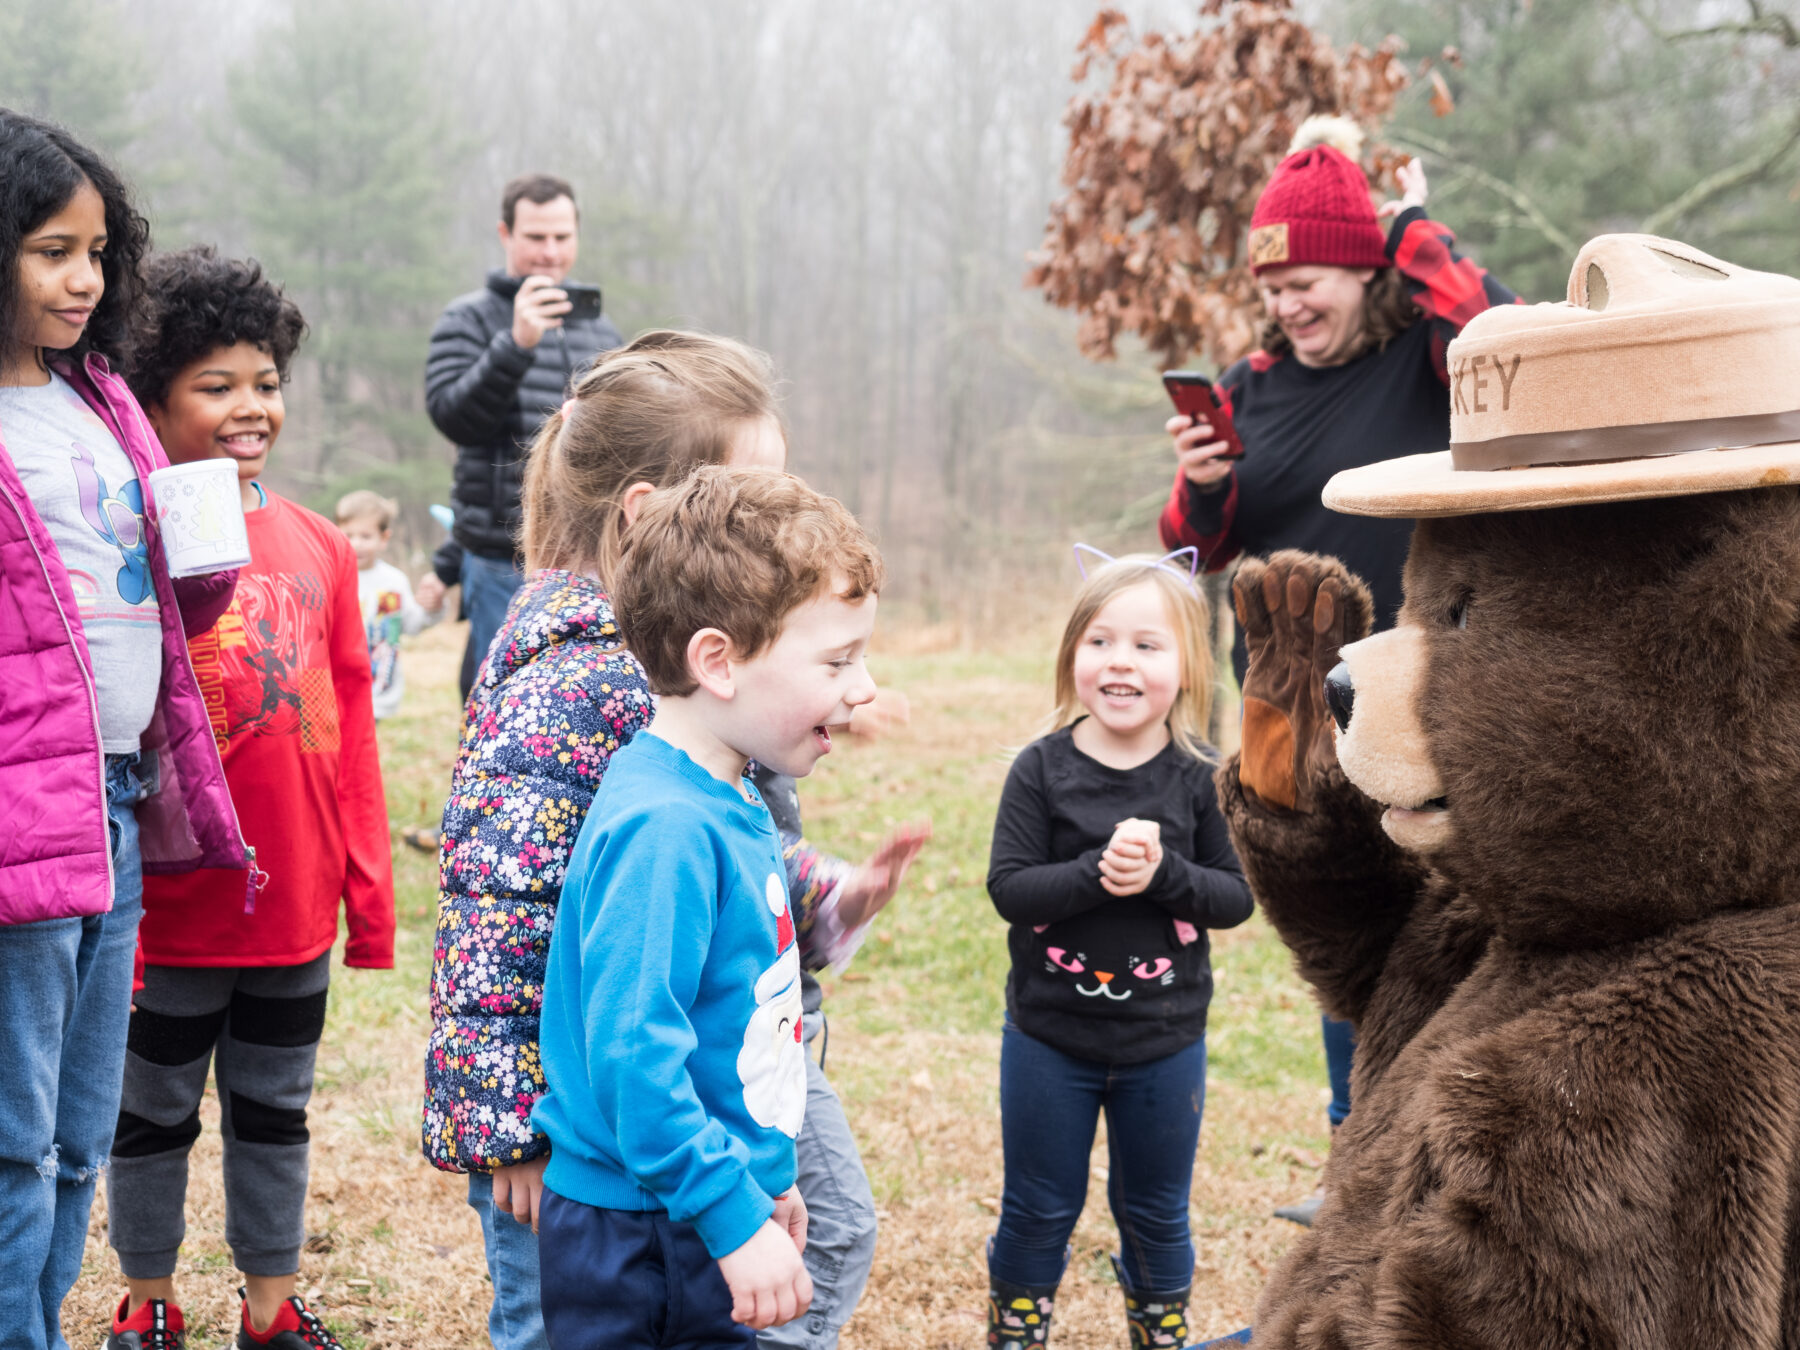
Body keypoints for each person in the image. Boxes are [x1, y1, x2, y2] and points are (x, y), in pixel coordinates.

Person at [423, 331, 924, 1350]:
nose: (778, 518)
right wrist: (510, 1125)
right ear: (652, 518)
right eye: (750, 493)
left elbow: (724, 872)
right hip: (587, 1138)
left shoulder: (694, 694)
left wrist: (825, 901)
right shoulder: (578, 687)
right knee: (546, 1320)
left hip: (705, 1088)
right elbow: (499, 913)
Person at [1158, 118, 1516, 1226]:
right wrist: (1205, 482)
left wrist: (1406, 219)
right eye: (1272, 288)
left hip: (1416, 695)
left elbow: (1497, 329)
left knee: (1439, 911)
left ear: (1364, 268)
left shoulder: (1425, 362)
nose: (1286, 306)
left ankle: (1432, 1149)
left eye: (1306, 280)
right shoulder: (1249, 388)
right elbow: (1198, 545)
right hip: (1282, 706)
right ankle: (1355, 1152)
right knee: (1334, 919)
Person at [105, 246, 394, 1350]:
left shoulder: (321, 543)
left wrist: (365, 900)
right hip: (169, 912)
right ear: (153, 393)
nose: (249, 406)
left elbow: (352, 734)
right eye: (214, 385)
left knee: (275, 1112)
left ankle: (268, 1308)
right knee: (151, 1118)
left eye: (264, 381)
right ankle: (147, 1300)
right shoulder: (125, 539)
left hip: (290, 908)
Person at [531, 465, 883, 1347]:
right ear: (718, 661)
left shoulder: (727, 796)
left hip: (696, 1198)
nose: (864, 687)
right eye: (837, 661)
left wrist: (764, 1172)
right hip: (644, 1232)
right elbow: (633, 1056)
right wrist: (729, 1216)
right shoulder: (667, 830)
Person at [0, 110, 245, 1350]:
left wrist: (203, 546)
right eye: (52, 249)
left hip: (117, 794)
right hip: (16, 811)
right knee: (8, 1140)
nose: (84, 277)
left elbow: (156, 597)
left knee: (77, 1137)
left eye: (98, 250)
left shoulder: (100, 396)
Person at [985, 549, 1253, 1349]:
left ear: (1188, 665)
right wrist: (1098, 875)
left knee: (1157, 1212)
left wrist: (1165, 873)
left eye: (1147, 644)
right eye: (1100, 641)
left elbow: (1233, 898)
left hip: (1164, 1046)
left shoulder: (1204, 778)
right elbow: (1011, 889)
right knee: (1037, 1205)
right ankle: (1017, 1333)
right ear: (1073, 655)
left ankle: (1160, 1335)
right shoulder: (1041, 770)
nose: (1120, 662)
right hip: (1048, 1039)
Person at [425, 172, 623, 701]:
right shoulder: (467, 319)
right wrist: (515, 343)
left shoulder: (601, 332)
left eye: (562, 237)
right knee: (507, 700)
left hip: (587, 554)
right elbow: (452, 417)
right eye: (536, 237)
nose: (550, 253)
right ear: (505, 234)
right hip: (499, 555)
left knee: (582, 700)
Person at [335, 489, 443, 719]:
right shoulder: (332, 577)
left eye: (365, 536)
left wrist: (433, 608)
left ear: (384, 538)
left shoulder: (393, 582)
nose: (356, 544)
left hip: (378, 690)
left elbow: (412, 624)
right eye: (349, 535)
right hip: (337, 687)